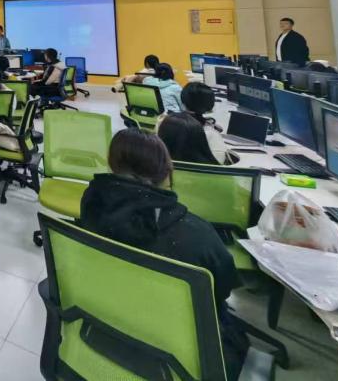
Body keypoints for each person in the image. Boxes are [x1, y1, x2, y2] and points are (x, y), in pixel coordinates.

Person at [79, 129, 247, 378]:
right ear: (166, 172)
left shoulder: (92, 204)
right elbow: (221, 291)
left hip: (104, 328)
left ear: (112, 164)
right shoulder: (197, 234)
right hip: (177, 356)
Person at [181, 82, 229, 164]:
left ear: (183, 100)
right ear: (210, 105)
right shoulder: (210, 134)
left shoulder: (169, 123)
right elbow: (219, 162)